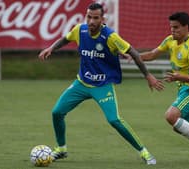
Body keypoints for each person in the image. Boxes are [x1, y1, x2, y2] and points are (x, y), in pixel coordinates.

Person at [38, 2, 164, 165]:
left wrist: (148, 76)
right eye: (89, 17)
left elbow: (132, 52)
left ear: (103, 19)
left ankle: (144, 152)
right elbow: (65, 39)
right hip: (81, 83)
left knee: (114, 120)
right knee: (57, 112)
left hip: (102, 85)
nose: (91, 21)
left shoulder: (110, 36)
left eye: (95, 18)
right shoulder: (80, 30)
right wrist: (51, 48)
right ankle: (61, 149)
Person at [139, 12, 189, 162]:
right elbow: (152, 54)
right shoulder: (170, 40)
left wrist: (178, 77)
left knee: (171, 116)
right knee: (178, 126)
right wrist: (132, 55)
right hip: (184, 89)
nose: (172, 30)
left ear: (186, 27)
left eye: (176, 27)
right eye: (171, 27)